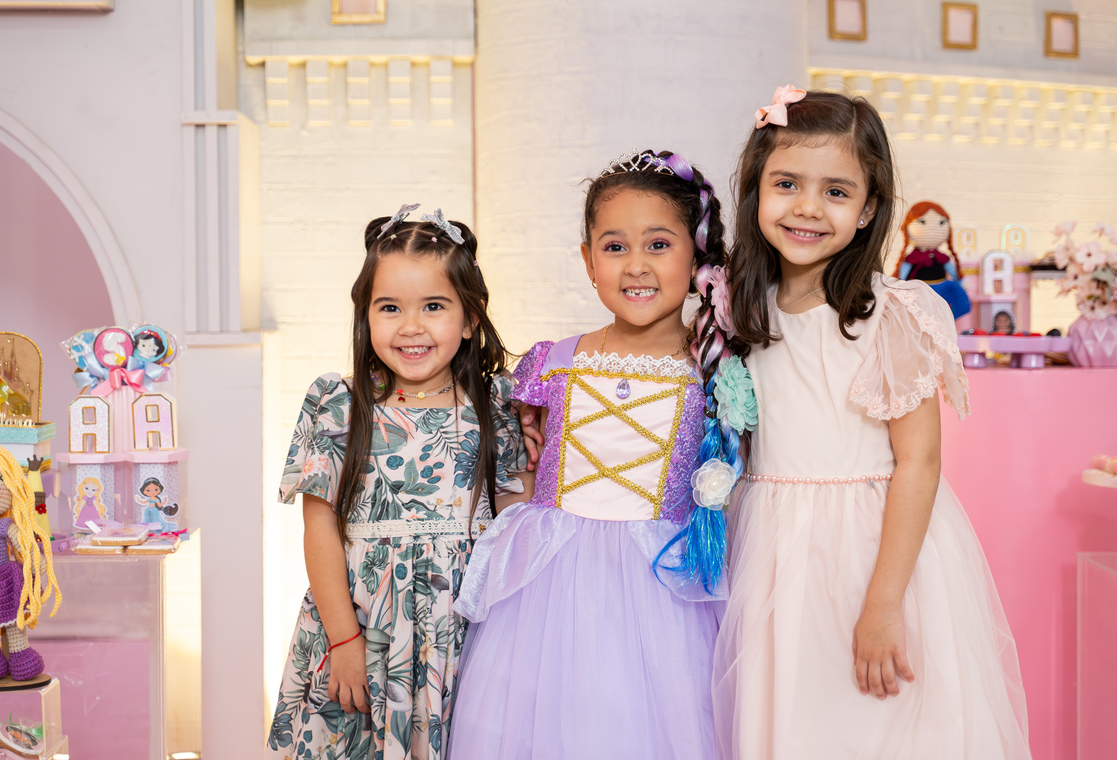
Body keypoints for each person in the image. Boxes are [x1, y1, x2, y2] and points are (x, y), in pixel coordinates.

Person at [714, 85, 1032, 759]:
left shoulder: (890, 314)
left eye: (835, 191)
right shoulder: (742, 309)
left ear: (867, 209)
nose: (807, 207)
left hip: (872, 556)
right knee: (792, 725)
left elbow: (919, 462)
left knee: (876, 729)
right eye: (786, 184)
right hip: (773, 553)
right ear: (755, 191)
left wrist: (884, 603)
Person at [448, 150, 749, 760]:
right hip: (548, 594)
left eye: (659, 244)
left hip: (662, 593)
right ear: (588, 260)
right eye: (615, 247)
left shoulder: (715, 372)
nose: (636, 265)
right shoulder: (553, 362)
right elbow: (525, 467)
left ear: (696, 257)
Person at [267, 207, 531, 760]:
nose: (411, 326)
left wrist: (541, 450)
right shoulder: (339, 404)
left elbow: (517, 519)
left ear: (469, 319)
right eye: (390, 308)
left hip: (461, 637)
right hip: (362, 631)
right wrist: (343, 639)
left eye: (433, 306)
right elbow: (319, 530)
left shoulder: (496, 405)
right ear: (366, 317)